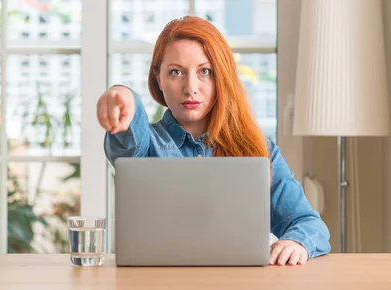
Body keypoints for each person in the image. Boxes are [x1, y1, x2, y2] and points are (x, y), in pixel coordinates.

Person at [96, 16, 331, 266]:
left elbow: (308, 223)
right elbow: (129, 137)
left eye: (204, 72)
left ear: (221, 77)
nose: (191, 88)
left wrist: (296, 243)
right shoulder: (145, 146)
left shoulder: (261, 152)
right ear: (158, 78)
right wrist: (123, 95)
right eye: (175, 72)